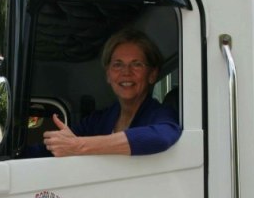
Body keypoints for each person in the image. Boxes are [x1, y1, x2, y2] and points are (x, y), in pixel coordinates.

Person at [36, 28, 181, 157]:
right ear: (108, 75)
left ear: (152, 75)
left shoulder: (159, 113)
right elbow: (55, 148)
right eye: (118, 65)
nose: (126, 72)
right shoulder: (98, 120)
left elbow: (162, 137)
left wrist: (79, 146)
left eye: (137, 64)